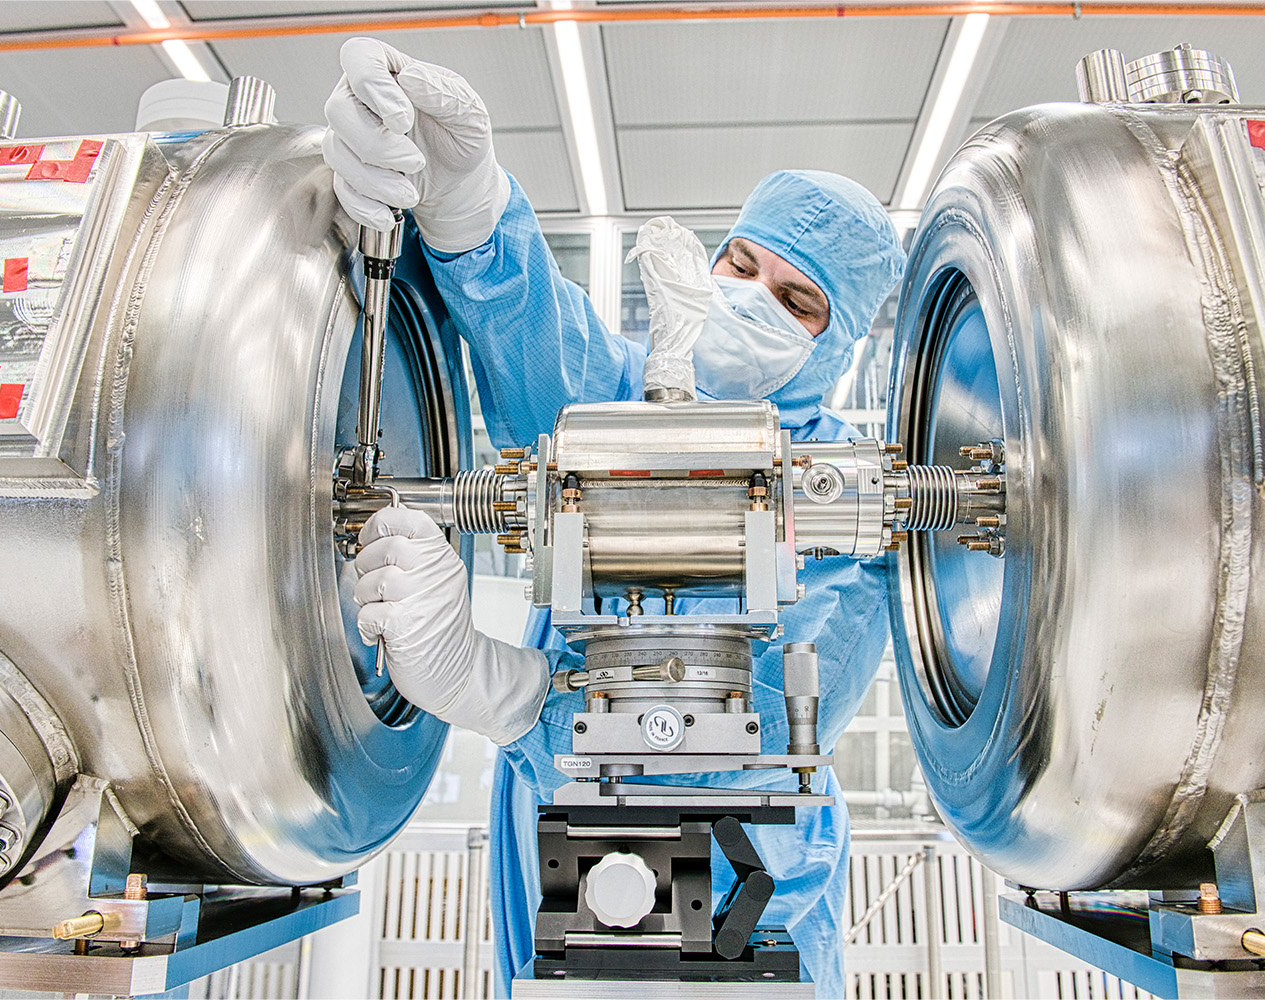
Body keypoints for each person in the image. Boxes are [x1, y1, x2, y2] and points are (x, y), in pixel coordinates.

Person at [327, 37, 905, 998]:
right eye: (741, 263)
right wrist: (468, 201)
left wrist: (501, 692)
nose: (749, 299)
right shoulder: (629, 394)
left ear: (836, 343)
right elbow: (527, 328)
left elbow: (761, 729)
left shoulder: (846, 503)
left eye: (798, 301)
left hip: (739, 880)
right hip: (553, 838)